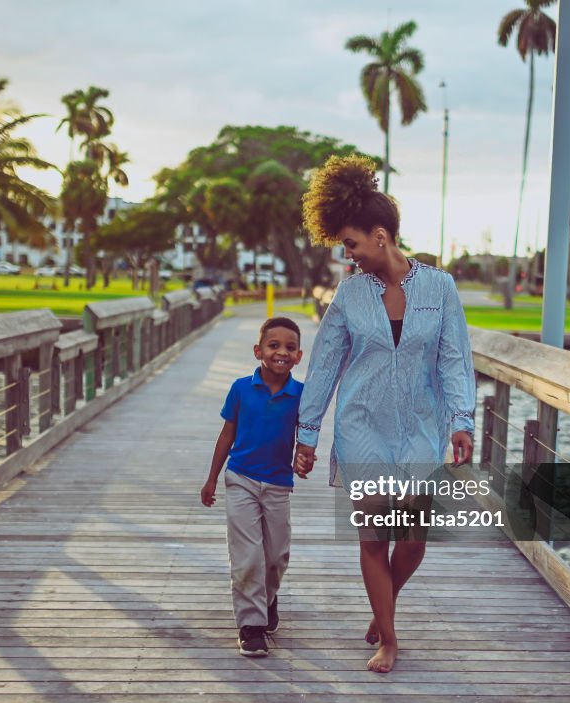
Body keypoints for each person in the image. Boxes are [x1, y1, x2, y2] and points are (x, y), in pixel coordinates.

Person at [294, 155, 475, 673]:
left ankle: (383, 606)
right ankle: (389, 639)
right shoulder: (349, 295)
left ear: (380, 235)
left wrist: (462, 420)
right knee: (374, 537)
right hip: (362, 428)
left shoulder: (439, 288)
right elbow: (325, 365)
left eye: (351, 244)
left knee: (413, 539)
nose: (347, 255)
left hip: (422, 428)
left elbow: (454, 358)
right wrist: (307, 434)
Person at [201, 317, 304, 657]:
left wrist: (306, 456)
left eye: (290, 347)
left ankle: (268, 599)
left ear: (299, 356)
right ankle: (251, 625)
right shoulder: (241, 388)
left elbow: (306, 437)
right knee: (247, 557)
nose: (281, 352)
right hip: (240, 478)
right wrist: (212, 477)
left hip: (277, 484)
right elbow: (227, 434)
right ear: (258, 350)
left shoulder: (300, 394)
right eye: (273, 345)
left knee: (276, 556)